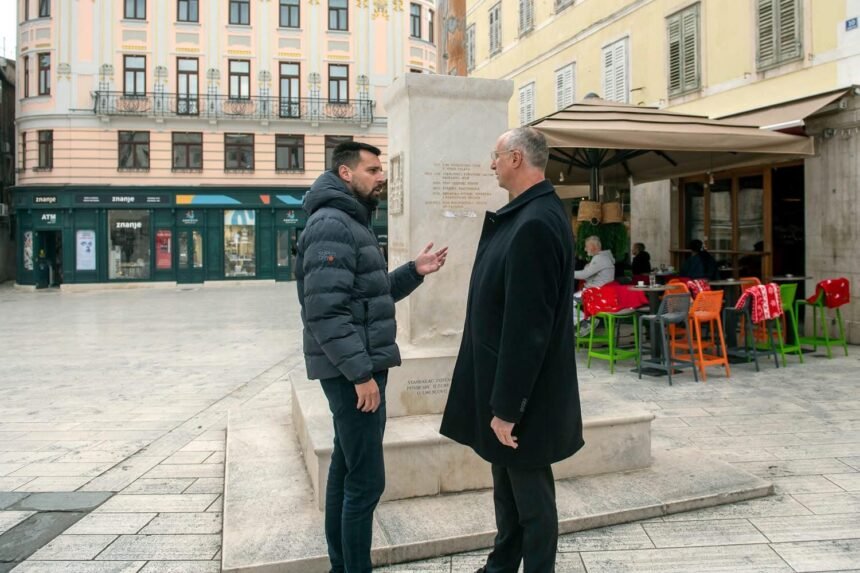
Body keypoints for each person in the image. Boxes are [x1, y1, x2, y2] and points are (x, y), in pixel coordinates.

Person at [296, 141, 448, 573]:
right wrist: (361, 374)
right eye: (374, 169)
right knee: (365, 482)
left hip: (357, 366)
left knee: (347, 471)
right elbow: (325, 313)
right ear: (347, 174)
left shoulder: (350, 221)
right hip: (353, 373)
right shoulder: (332, 224)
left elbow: (368, 294)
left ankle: (342, 567)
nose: (382, 176)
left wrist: (412, 272)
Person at [440, 127, 584, 573]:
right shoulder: (526, 214)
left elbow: (529, 327)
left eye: (496, 156)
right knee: (507, 486)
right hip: (506, 384)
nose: (491, 164)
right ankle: (501, 565)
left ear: (517, 158)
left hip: (524, 394)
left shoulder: (536, 222)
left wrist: (507, 406)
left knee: (532, 498)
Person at [573, 235, 615, 335]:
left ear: (593, 247)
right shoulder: (604, 257)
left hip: (595, 293)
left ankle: (585, 322)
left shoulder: (600, 258)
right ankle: (583, 322)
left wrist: (567, 273)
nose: (585, 249)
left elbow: (584, 275)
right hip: (600, 292)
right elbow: (589, 276)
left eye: (586, 246)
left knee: (566, 302)